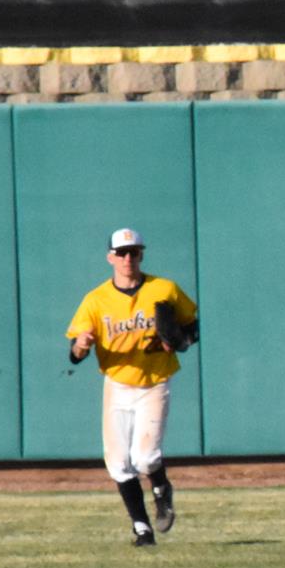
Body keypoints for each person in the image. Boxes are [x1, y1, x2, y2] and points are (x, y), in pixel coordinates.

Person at [66, 227, 199, 547]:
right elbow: (74, 354)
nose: (128, 259)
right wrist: (81, 346)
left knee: (145, 457)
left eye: (134, 252)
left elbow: (192, 325)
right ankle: (142, 529)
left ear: (141, 255)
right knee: (118, 463)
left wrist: (180, 340)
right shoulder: (96, 300)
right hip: (117, 385)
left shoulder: (163, 289)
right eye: (122, 253)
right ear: (110, 257)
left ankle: (161, 488)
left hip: (154, 382)